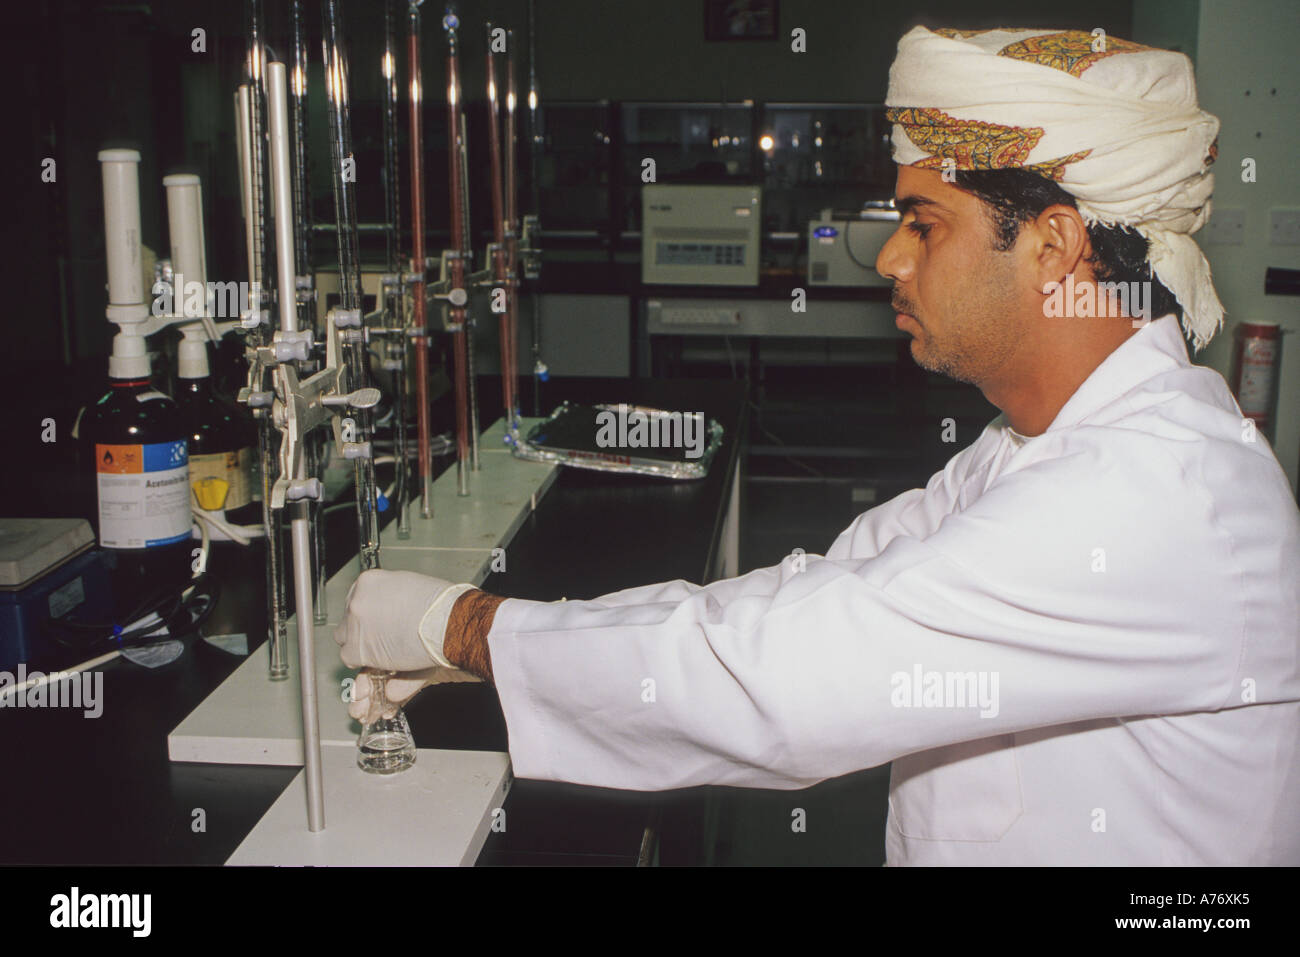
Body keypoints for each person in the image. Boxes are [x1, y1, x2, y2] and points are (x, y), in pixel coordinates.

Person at [336, 26, 1300, 865]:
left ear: (1052, 246)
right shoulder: (1033, 448)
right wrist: (492, 645)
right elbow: (815, 592)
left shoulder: (1154, 493)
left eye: (924, 223)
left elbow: (788, 676)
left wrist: (463, 627)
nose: (889, 256)